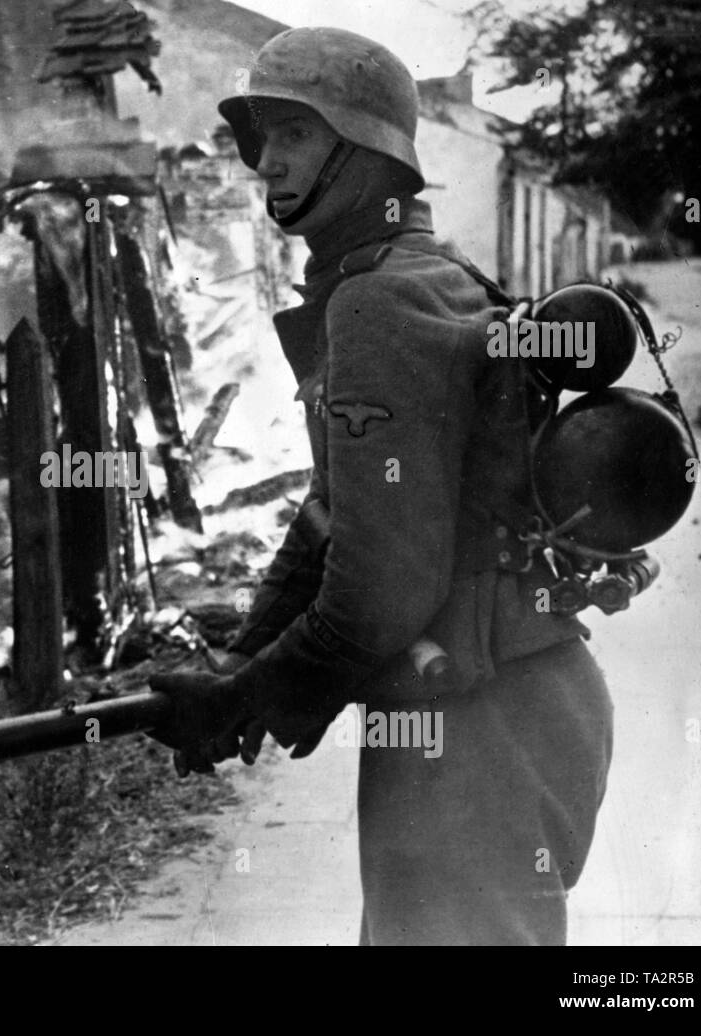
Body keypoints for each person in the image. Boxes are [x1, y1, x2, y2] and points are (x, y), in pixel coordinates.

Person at [148, 26, 614, 946]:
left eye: (299, 135)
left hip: (473, 730)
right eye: (264, 138)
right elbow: (337, 511)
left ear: (367, 151)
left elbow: (378, 590)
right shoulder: (429, 275)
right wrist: (242, 665)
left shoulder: (376, 300)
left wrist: (245, 697)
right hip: (513, 706)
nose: (269, 164)